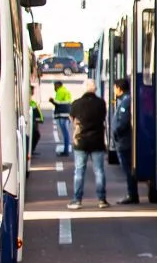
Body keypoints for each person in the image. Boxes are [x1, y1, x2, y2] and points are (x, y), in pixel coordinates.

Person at [67, 78, 110, 206]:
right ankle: (102, 199)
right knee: (99, 171)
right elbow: (103, 118)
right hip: (97, 141)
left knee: (79, 171)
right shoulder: (101, 103)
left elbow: (72, 120)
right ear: (95, 89)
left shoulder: (76, 104)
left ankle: (77, 199)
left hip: (81, 141)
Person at [109, 77, 139, 204]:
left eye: (114, 88)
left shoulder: (126, 101)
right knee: (127, 169)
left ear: (119, 88)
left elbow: (124, 121)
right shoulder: (124, 100)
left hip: (125, 141)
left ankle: (132, 195)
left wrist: (116, 132)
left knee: (128, 170)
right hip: (122, 141)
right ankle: (132, 193)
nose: (114, 90)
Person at [51, 79, 73, 156]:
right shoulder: (66, 91)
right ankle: (66, 149)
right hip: (67, 114)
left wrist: (51, 100)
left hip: (62, 115)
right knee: (66, 133)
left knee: (65, 133)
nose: (54, 88)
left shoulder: (60, 91)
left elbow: (58, 102)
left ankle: (66, 151)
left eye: (55, 86)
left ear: (58, 85)